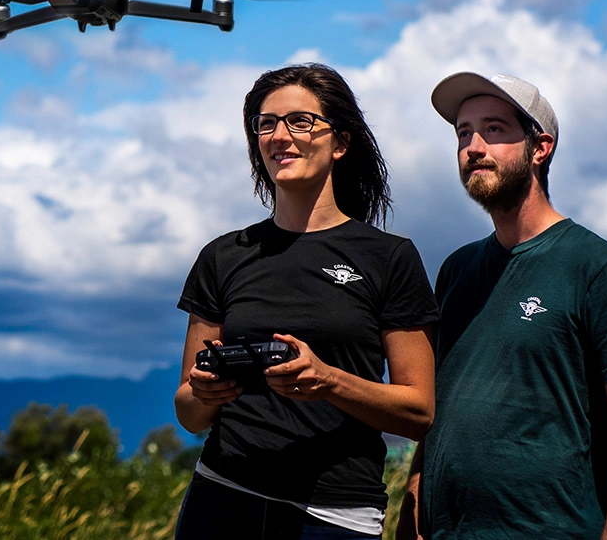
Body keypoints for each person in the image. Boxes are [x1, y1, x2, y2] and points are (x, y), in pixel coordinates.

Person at [397, 72, 607, 540]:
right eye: (463, 133)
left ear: (540, 148)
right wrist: (413, 510)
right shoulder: (456, 270)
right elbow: (437, 413)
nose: (473, 147)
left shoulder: (595, 267)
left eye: (494, 129)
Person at [174, 63, 440, 540]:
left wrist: (329, 381)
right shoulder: (222, 257)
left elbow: (419, 412)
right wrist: (205, 392)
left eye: (300, 121)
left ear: (340, 142)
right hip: (221, 498)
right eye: (266, 124)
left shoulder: (389, 258)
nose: (280, 136)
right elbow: (189, 413)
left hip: (334, 516)